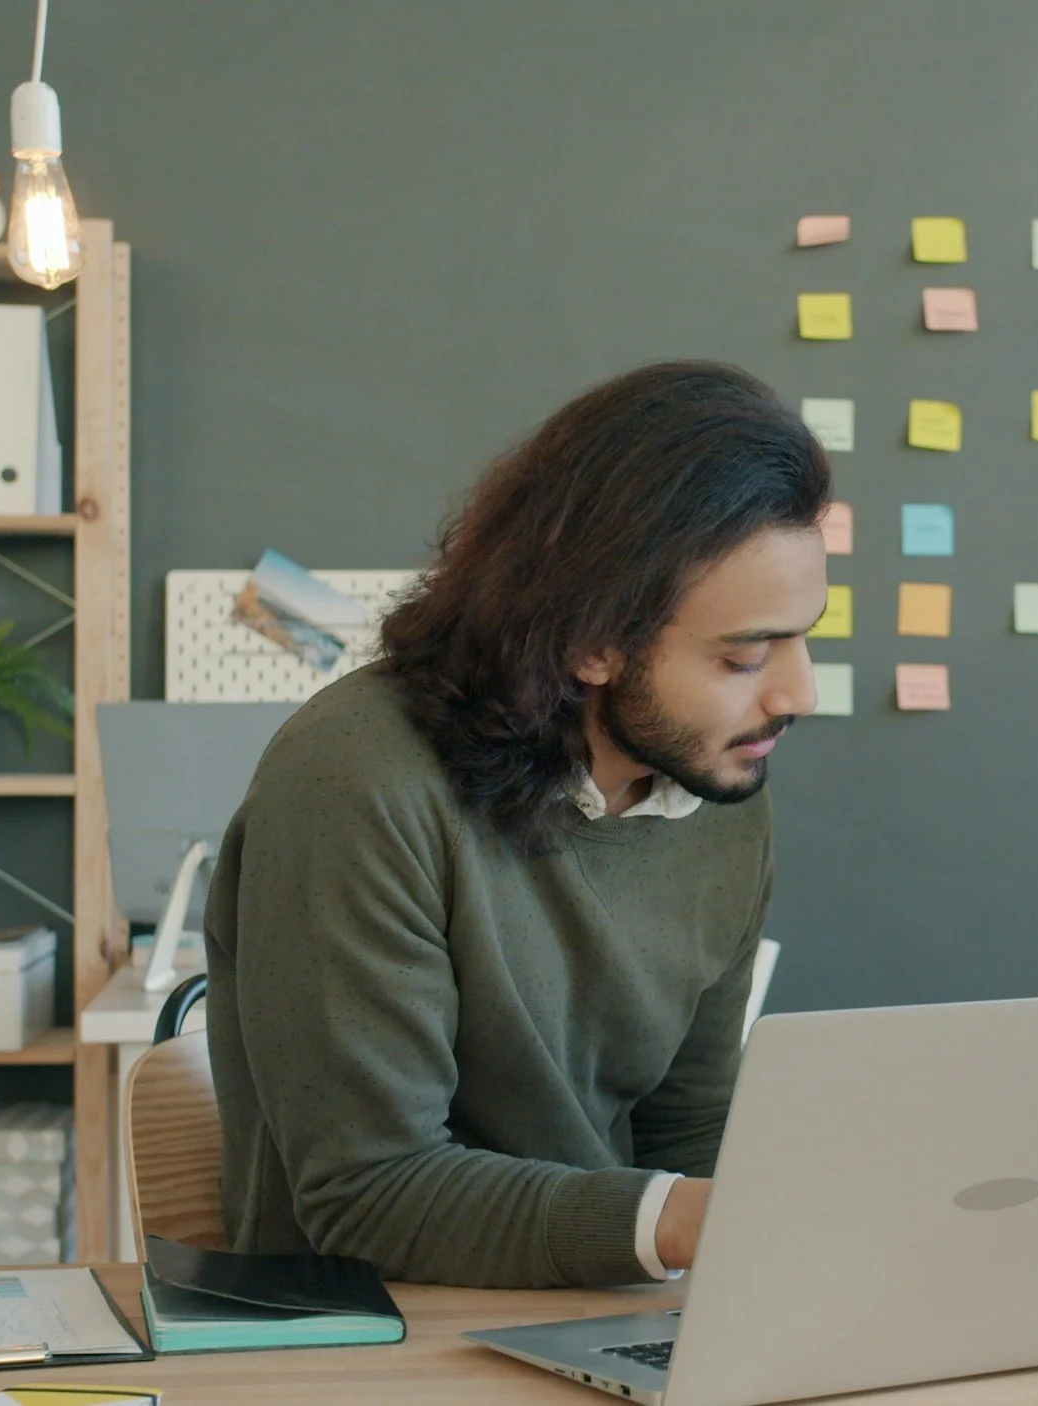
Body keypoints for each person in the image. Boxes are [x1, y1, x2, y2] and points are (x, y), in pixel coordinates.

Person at [204, 361, 828, 1287]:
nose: (798, 694)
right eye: (744, 655)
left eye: (806, 634)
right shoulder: (355, 783)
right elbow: (365, 1192)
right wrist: (682, 1220)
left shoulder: (717, 788)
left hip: (600, 1313)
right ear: (591, 642)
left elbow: (688, 1132)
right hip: (372, 1338)